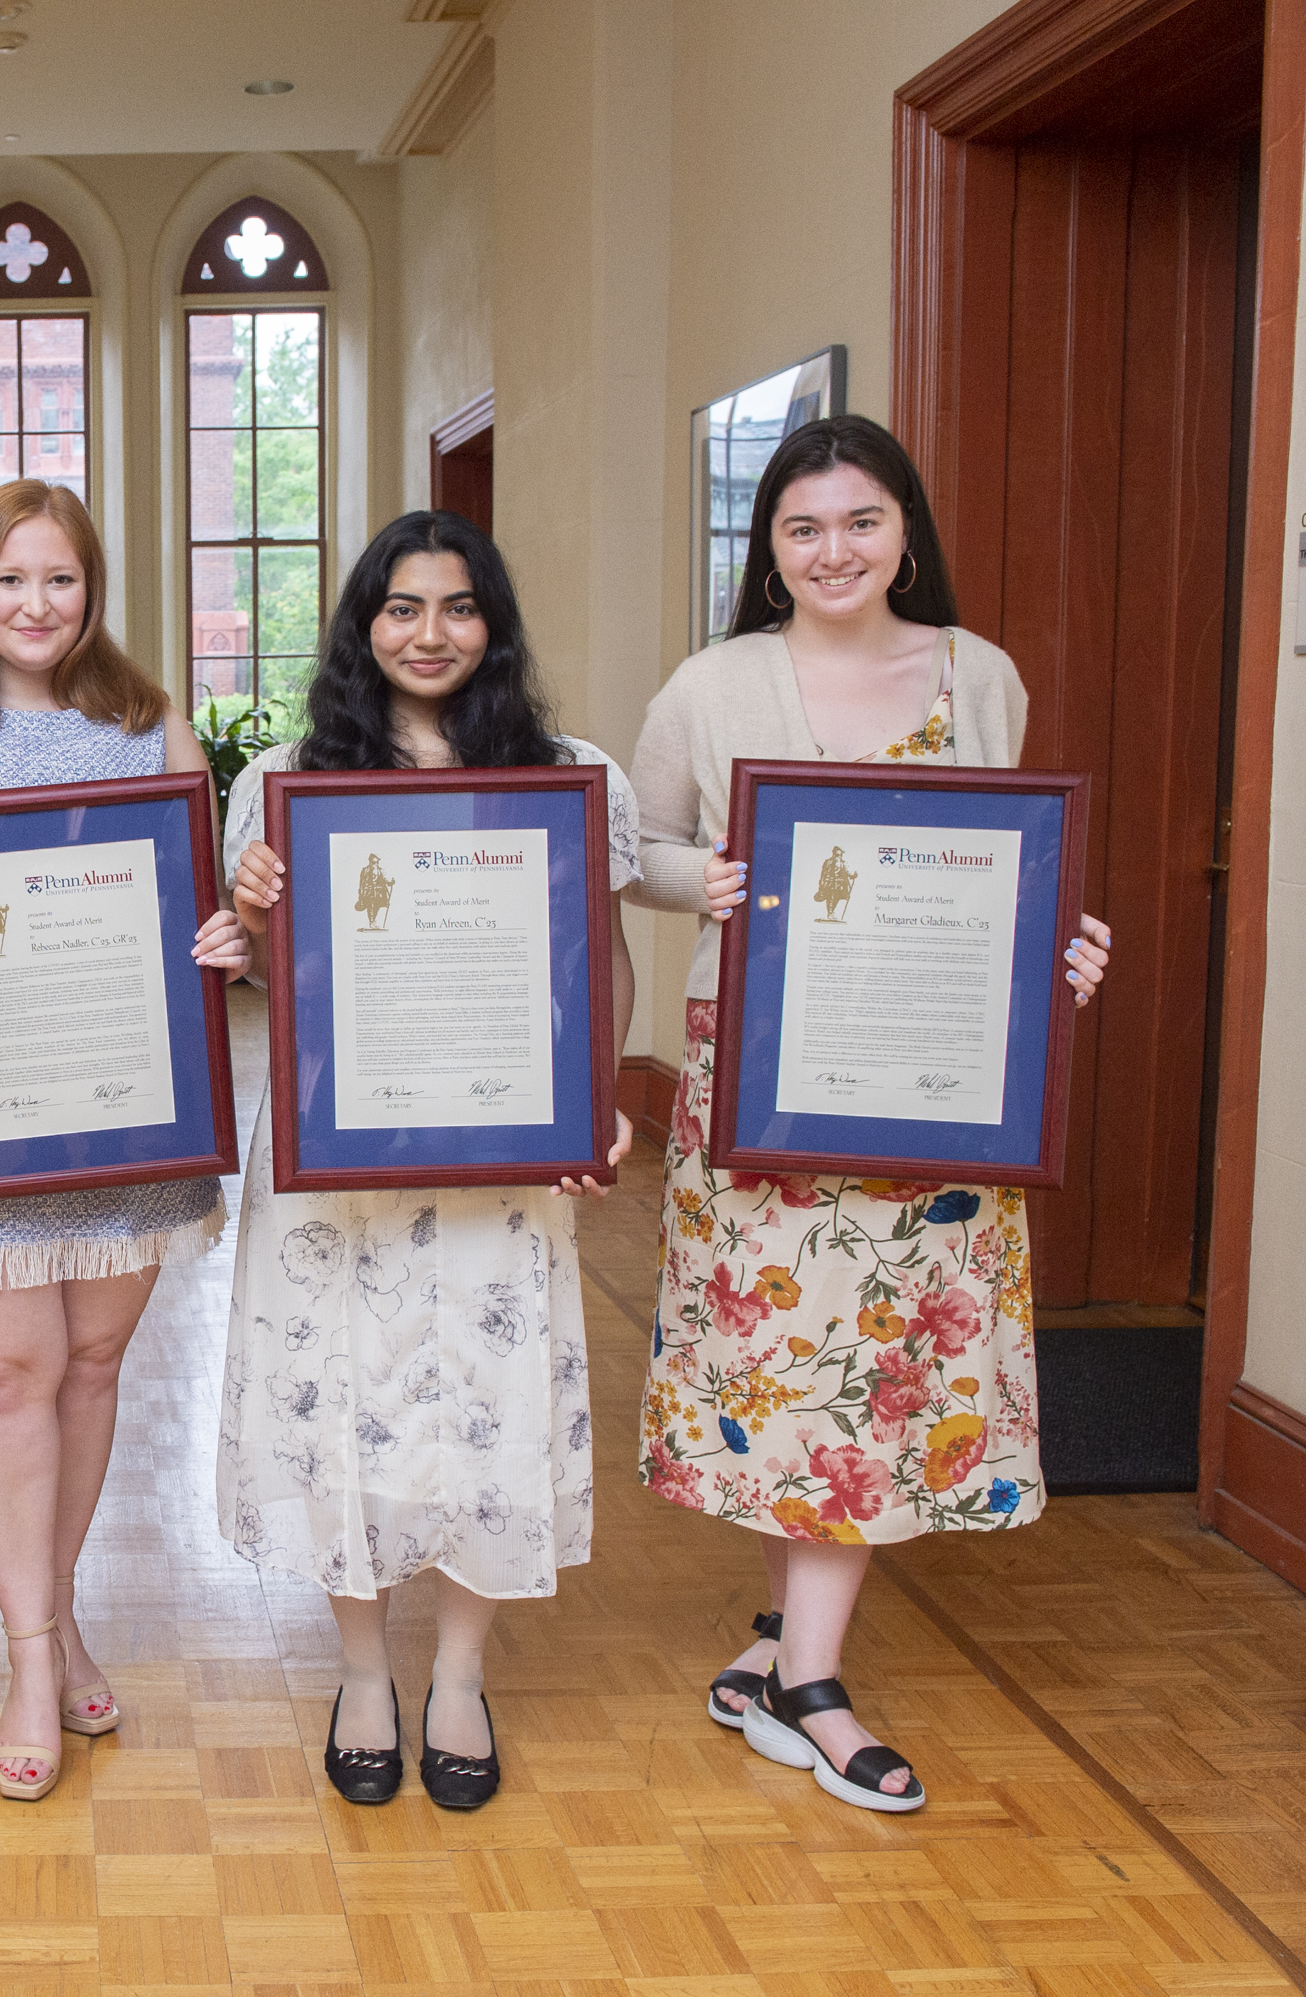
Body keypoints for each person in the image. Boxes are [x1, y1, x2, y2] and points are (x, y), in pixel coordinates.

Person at [626, 415, 1113, 1814]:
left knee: (876, 1366)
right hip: (766, 1077)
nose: (833, 550)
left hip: (927, 1089)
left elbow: (998, 864)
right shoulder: (714, 686)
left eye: (860, 521)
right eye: (802, 527)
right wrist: (697, 881)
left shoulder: (980, 677)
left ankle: (796, 1662)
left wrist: (1060, 945)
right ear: (767, 546)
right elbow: (637, 839)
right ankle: (802, 1671)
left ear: (906, 528)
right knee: (791, 1365)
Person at [216, 511, 638, 1810]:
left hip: (505, 1162)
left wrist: (599, 1102)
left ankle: (457, 1671)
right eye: (403, 607)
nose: (432, 632)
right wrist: (250, 910)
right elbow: (261, 981)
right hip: (336, 1160)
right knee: (340, 1395)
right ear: (364, 625)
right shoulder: (284, 781)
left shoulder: (572, 774)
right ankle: (360, 1670)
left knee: (485, 1403)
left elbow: (599, 963)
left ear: (493, 624)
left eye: (459, 607)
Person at [0, 479, 250, 1802]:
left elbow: (197, 890)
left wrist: (220, 940)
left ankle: (61, 1606)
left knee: (91, 1364)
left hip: (124, 1096)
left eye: (61, 580)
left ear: (93, 589)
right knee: (8, 1374)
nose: (35, 605)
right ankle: (27, 1655)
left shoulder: (146, 722)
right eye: (9, 580)